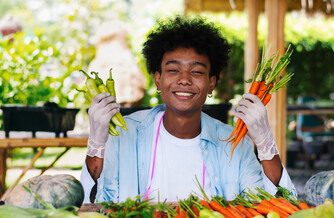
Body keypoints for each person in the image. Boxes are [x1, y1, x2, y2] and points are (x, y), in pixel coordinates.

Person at [80, 15, 297, 203]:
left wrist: (266, 145)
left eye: (197, 72)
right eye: (173, 70)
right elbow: (89, 203)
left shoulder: (234, 143)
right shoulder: (123, 134)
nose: (184, 80)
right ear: (158, 79)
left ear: (211, 83)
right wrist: (96, 145)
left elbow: (278, 205)